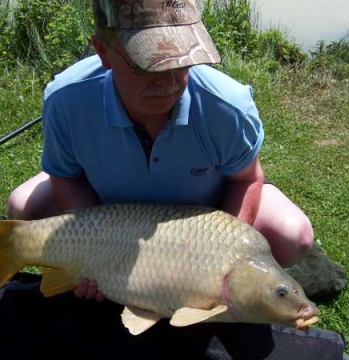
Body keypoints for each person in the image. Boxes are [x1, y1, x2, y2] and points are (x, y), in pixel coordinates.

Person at [6, 0, 313, 300]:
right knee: (23, 207)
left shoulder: (227, 105)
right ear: (103, 52)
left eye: (181, 62)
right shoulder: (66, 99)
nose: (168, 83)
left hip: (207, 214)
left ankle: (258, 284)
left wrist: (223, 254)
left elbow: (246, 179)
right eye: (147, 64)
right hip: (109, 213)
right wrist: (93, 254)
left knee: (293, 235)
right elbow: (66, 177)